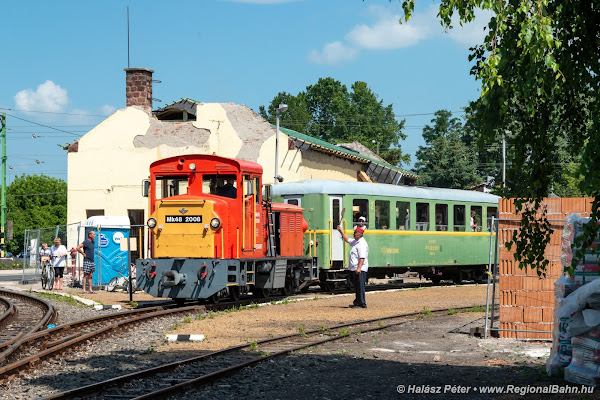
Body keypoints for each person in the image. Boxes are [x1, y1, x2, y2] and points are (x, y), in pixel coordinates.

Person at [337, 224, 369, 308]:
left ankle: (362, 303)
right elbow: (347, 239)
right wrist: (341, 231)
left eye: (355, 233)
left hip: (360, 269)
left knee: (360, 286)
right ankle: (358, 302)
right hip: (355, 268)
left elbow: (362, 257)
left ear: (359, 234)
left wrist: (359, 268)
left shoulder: (361, 244)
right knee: (357, 286)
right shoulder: (356, 242)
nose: (353, 234)